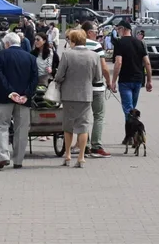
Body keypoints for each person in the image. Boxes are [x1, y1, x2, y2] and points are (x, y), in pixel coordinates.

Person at [53, 29, 102, 168]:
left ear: (72, 41)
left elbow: (59, 75)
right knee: (83, 126)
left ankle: (67, 155)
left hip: (68, 95)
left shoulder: (67, 55)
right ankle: (81, 157)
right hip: (86, 95)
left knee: (68, 127)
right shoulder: (94, 56)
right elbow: (98, 77)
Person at [0, 33, 37, 170]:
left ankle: (4, 156)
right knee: (21, 129)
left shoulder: (0, 55)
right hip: (23, 100)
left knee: (1, 126)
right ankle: (18, 160)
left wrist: (10, 92)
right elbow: (35, 79)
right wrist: (26, 94)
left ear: (7, 44)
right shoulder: (31, 57)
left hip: (5, 98)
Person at [110, 20, 152, 120]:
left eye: (118, 29)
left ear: (123, 29)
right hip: (138, 80)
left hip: (125, 80)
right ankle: (133, 132)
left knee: (128, 111)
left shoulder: (119, 43)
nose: (117, 31)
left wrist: (113, 81)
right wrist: (149, 80)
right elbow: (147, 63)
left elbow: (118, 62)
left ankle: (133, 132)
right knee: (132, 109)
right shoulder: (139, 43)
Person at [82, 20, 112, 158]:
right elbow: (104, 67)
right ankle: (96, 146)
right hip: (96, 86)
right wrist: (109, 81)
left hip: (80, 88)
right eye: (95, 32)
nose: (98, 34)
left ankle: (84, 145)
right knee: (98, 116)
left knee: (83, 117)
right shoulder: (96, 46)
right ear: (89, 33)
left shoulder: (74, 44)